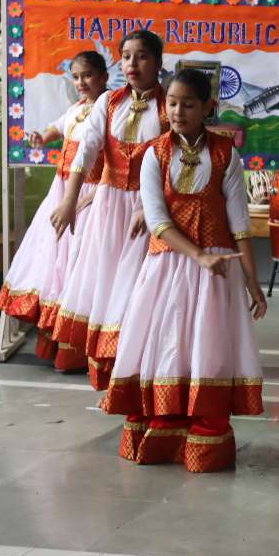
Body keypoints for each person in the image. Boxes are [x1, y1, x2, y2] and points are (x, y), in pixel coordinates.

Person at [99, 68, 265, 472]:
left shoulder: (227, 153)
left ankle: (204, 436)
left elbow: (240, 223)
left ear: (208, 107)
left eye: (188, 104)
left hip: (216, 272)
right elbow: (157, 221)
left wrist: (252, 279)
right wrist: (199, 256)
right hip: (168, 265)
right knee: (165, 343)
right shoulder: (154, 153)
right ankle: (162, 430)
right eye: (172, 103)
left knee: (207, 347)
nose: (177, 111)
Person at [50, 29, 169, 389]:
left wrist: (153, 209)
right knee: (103, 278)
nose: (133, 63)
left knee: (138, 283)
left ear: (158, 63)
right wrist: (70, 201)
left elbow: (173, 162)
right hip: (108, 203)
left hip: (149, 208)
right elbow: (86, 152)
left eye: (142, 56)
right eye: (127, 56)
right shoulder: (109, 102)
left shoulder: (169, 105)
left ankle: (138, 363)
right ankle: (108, 365)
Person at [0, 51, 107, 372]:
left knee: (79, 263)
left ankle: (80, 347)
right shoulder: (76, 109)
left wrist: (87, 199)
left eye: (87, 75)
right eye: (76, 76)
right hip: (61, 192)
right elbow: (56, 130)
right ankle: (58, 339)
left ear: (102, 76)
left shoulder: (108, 108)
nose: (81, 82)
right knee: (55, 260)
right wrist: (39, 137)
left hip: (88, 192)